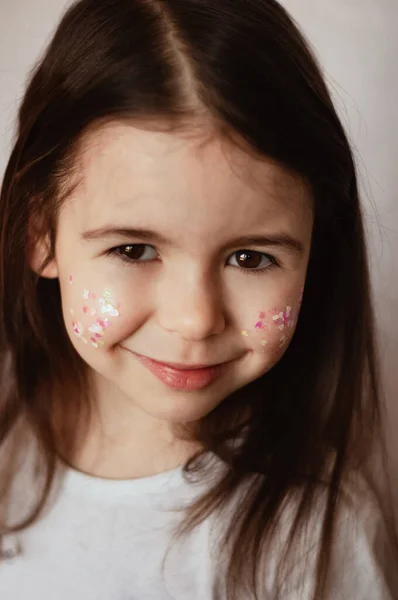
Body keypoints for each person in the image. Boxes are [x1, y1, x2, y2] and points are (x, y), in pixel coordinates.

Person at [0, 0, 396, 598]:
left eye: (250, 258)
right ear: (40, 235)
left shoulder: (312, 532)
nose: (194, 319)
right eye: (134, 250)